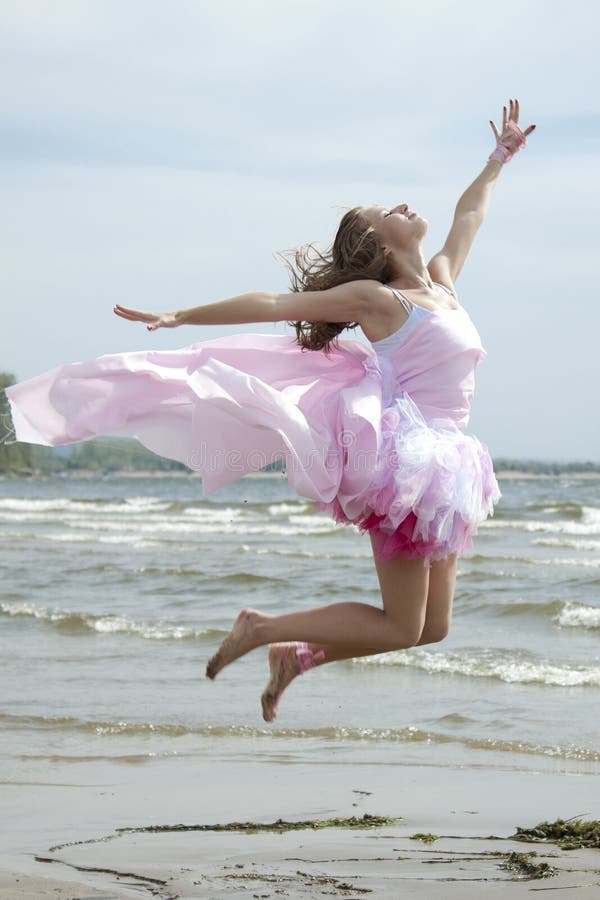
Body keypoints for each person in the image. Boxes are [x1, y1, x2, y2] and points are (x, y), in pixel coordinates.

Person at [6, 99, 535, 722]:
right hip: (408, 465)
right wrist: (180, 314)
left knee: (432, 629)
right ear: (376, 242)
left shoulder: (442, 283)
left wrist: (499, 156)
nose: (404, 205)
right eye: (388, 211)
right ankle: (261, 628)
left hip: (450, 462)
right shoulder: (378, 298)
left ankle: (297, 658)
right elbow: (276, 303)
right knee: (399, 625)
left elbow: (469, 214)